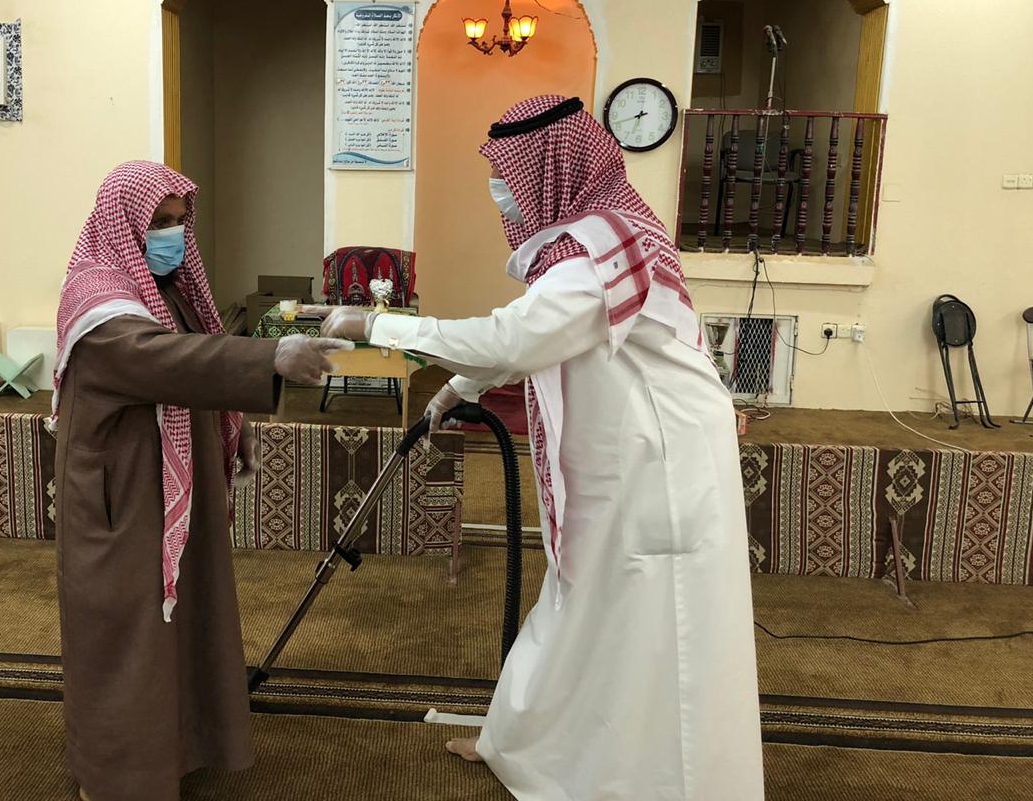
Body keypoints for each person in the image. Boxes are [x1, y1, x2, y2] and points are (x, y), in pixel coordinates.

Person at [321, 96, 763, 800]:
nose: (502, 193)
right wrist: (456, 389)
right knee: (580, 596)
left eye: (509, 177)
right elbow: (538, 335)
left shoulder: (596, 253)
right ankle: (520, 744)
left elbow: (513, 340)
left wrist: (377, 326)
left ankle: (643, 780)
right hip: (626, 447)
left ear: (552, 168)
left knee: (647, 620)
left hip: (660, 464)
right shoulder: (598, 236)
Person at [52, 161, 350, 801]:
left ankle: (183, 747)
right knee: (130, 636)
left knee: (186, 622)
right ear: (124, 222)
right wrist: (271, 357)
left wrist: (238, 422)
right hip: (124, 495)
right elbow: (156, 357)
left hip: (178, 485)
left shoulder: (171, 290)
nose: (171, 236)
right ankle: (117, 775)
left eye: (179, 222)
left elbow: (197, 356)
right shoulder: (98, 299)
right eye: (158, 222)